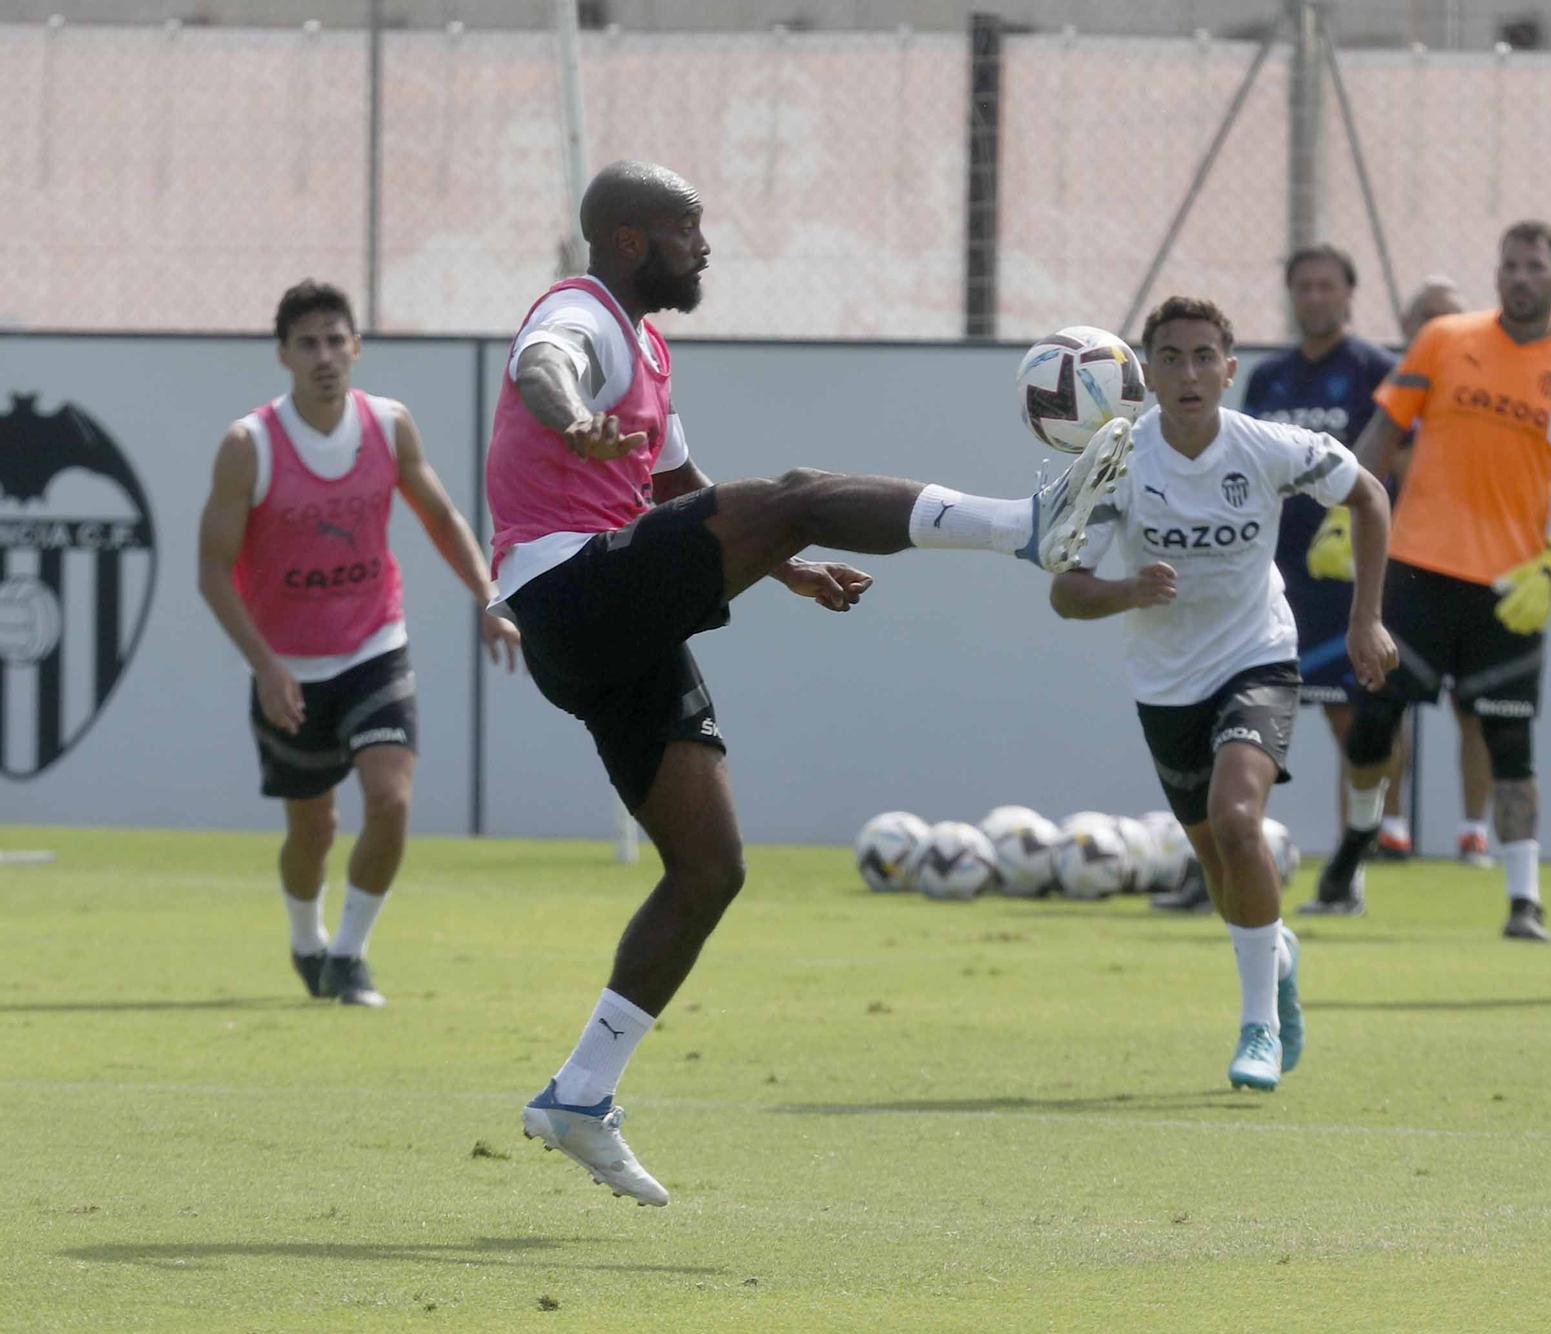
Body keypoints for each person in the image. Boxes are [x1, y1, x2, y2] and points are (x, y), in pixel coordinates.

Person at [494, 161, 1132, 1204]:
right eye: (685, 229)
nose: (705, 246)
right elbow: (542, 368)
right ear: (626, 241)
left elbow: (679, 491)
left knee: (710, 866)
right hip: (569, 583)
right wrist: (571, 417)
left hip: (604, 625)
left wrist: (782, 565)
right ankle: (1028, 528)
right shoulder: (582, 312)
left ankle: (579, 1092)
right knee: (796, 492)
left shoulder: (649, 347)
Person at [1054, 295, 1394, 1090]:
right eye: (1170, 357)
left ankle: (1258, 1030)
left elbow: (1369, 495)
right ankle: (1276, 956)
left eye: (1205, 356)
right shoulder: (1116, 459)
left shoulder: (1269, 446)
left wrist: (1365, 620)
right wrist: (1126, 590)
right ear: (1146, 373)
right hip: (1165, 681)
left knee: (1242, 823)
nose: (1189, 373)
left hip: (1258, 657)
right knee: (1218, 866)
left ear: (1230, 370)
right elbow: (1067, 592)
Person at [196, 279, 520, 1008]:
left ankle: (351, 955)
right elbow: (212, 573)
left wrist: (490, 598)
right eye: (306, 343)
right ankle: (307, 938)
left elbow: (440, 518)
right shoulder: (249, 447)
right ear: (283, 355)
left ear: (356, 348)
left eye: (335, 340)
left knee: (391, 800)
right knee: (313, 832)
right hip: (288, 668)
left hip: (376, 646)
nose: (323, 357)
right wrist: (266, 665)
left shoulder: (389, 425)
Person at [1304, 221, 1551, 942]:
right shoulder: (1443, 339)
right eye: (1510, 264)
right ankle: (1354, 853)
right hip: (1416, 570)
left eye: (1535, 266)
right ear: (1497, 273)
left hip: (1509, 585)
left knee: (1510, 741)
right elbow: (1383, 431)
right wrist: (1345, 512)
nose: (1520, 277)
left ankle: (1525, 901)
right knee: (1372, 731)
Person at [1222, 245, 1397, 887]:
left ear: (1349, 294)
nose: (1315, 297)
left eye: (1328, 285)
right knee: (1244, 714)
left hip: (1344, 575)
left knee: (1357, 719)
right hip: (1271, 570)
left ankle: (1369, 841)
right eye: (1304, 286)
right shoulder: (1267, 379)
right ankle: (1229, 849)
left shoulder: (1377, 369)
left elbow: (1397, 468)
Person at [1385, 276, 1497, 866]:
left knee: (1476, 708)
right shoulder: (1395, 389)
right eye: (1424, 317)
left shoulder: (1479, 386)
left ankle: (1474, 829)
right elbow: (1388, 457)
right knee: (1389, 702)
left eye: (1447, 318)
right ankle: (1392, 826)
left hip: (1478, 562)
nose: (1435, 328)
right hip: (1409, 564)